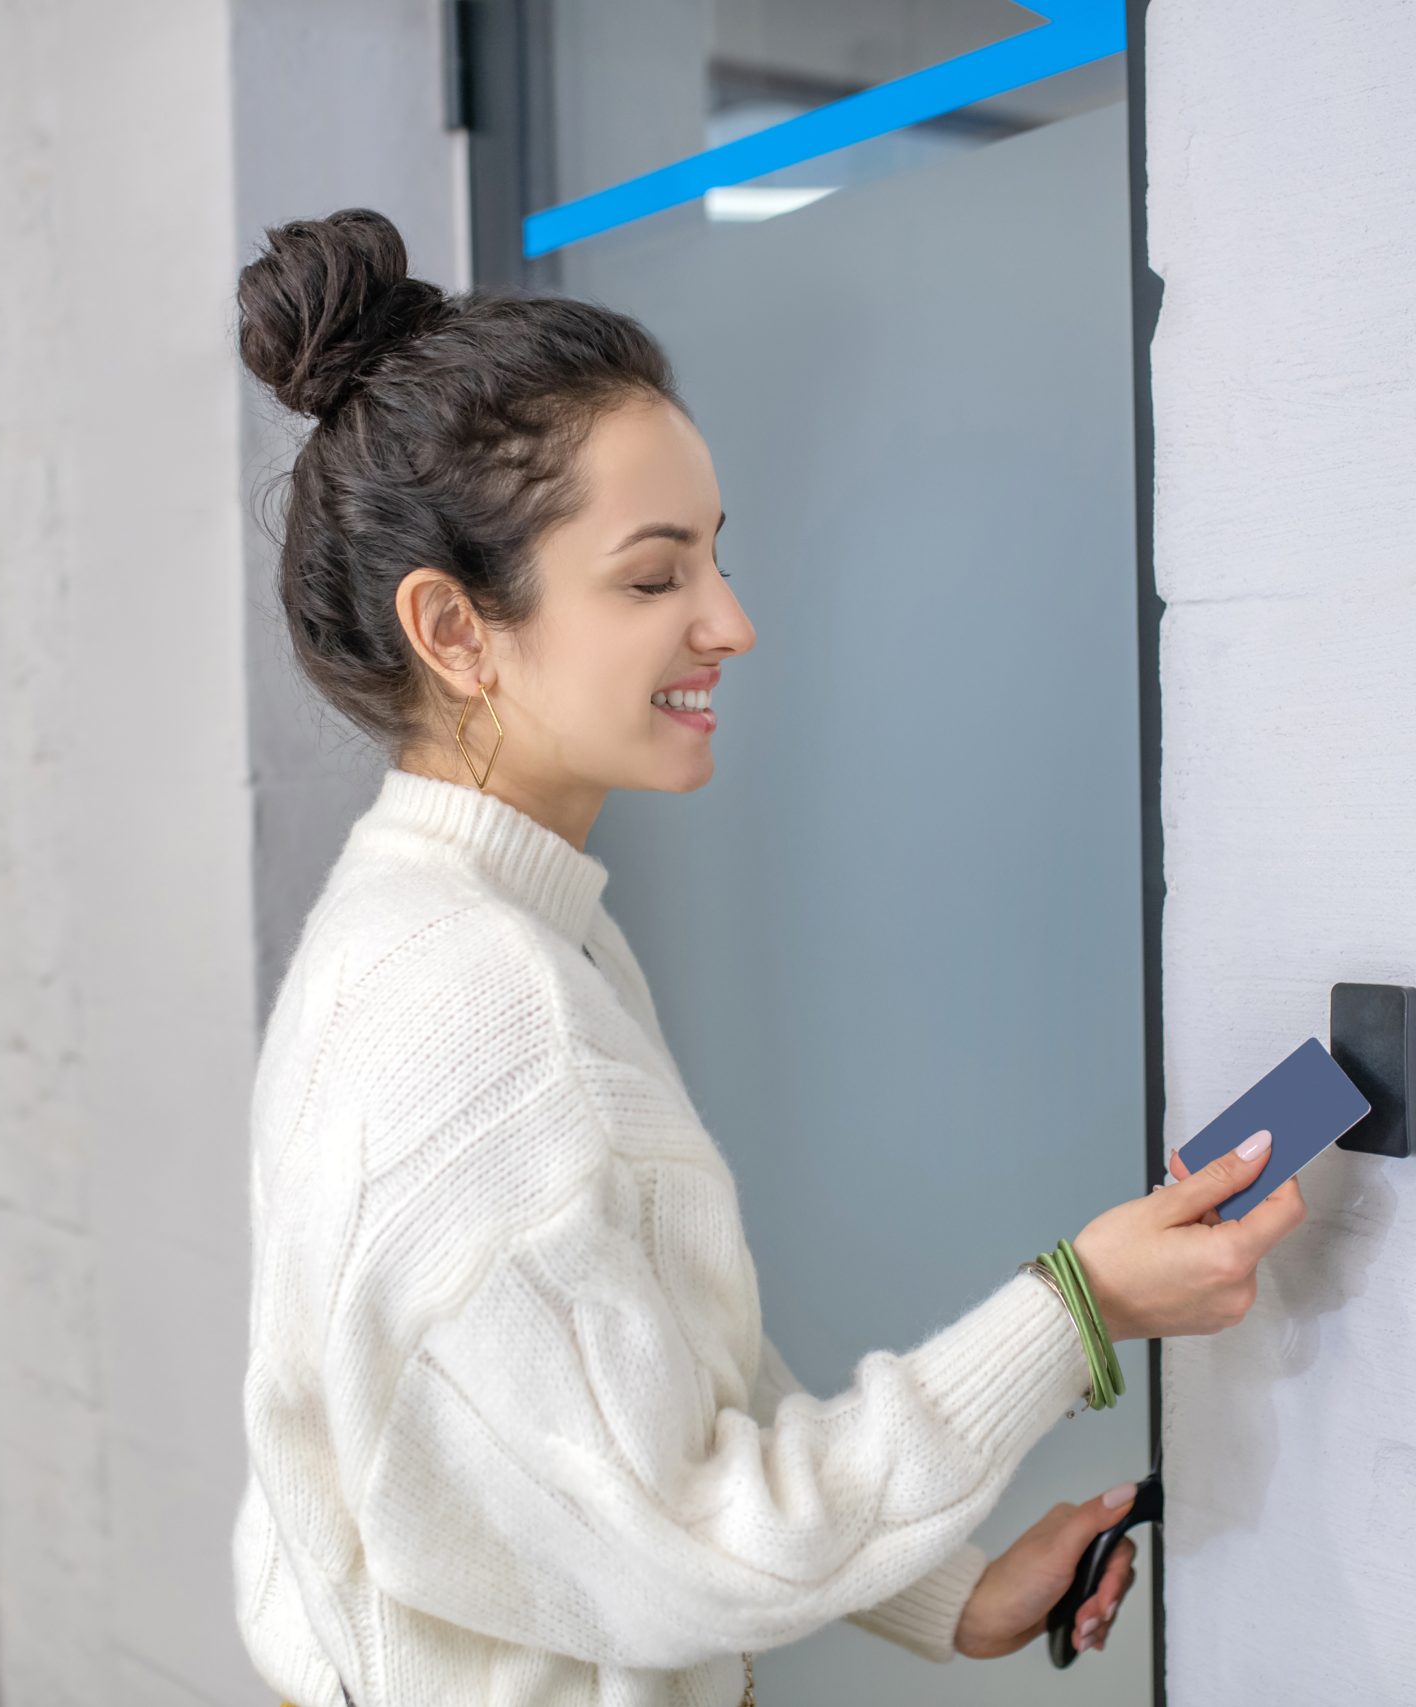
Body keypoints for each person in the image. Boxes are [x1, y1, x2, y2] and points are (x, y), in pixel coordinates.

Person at [227, 206, 1310, 1707]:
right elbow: (672, 1535)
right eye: (653, 576)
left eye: (715, 559)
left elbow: (644, 1416)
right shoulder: (484, 1007)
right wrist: (1075, 1309)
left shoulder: (455, 929)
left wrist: (948, 1595)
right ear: (455, 630)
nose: (729, 621)